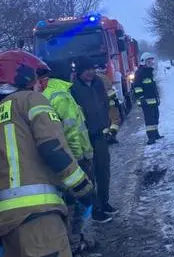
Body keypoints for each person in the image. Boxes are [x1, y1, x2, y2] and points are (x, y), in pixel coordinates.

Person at [0, 50, 94, 257]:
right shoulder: (31, 100)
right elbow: (52, 148)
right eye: (39, 78)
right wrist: (83, 188)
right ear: (22, 76)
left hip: (6, 225)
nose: (42, 85)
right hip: (39, 216)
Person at [39, 59, 95, 254]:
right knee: (79, 201)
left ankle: (69, 240)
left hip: (59, 159)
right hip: (75, 159)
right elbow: (72, 131)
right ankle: (74, 242)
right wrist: (78, 160)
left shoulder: (44, 94)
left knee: (66, 202)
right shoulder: (61, 95)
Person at [71, 57, 118, 224]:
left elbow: (108, 104)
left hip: (101, 135)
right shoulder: (73, 89)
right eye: (86, 70)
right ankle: (96, 209)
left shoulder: (98, 83)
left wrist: (110, 126)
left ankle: (105, 203)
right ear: (79, 72)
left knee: (104, 171)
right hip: (86, 139)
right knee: (90, 176)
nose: (90, 72)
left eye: (92, 69)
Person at [133, 52, 163, 145]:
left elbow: (153, 87)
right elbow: (137, 87)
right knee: (149, 120)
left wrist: (157, 98)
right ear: (143, 62)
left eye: (151, 61)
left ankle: (156, 134)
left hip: (153, 101)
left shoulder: (149, 72)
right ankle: (151, 138)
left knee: (155, 117)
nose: (151, 63)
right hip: (146, 101)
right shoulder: (140, 73)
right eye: (148, 61)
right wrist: (141, 98)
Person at [96, 67, 121, 144]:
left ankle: (106, 137)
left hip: (100, 106)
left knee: (106, 123)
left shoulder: (93, 80)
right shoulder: (104, 78)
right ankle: (111, 135)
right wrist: (116, 100)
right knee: (115, 120)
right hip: (110, 103)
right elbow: (110, 91)